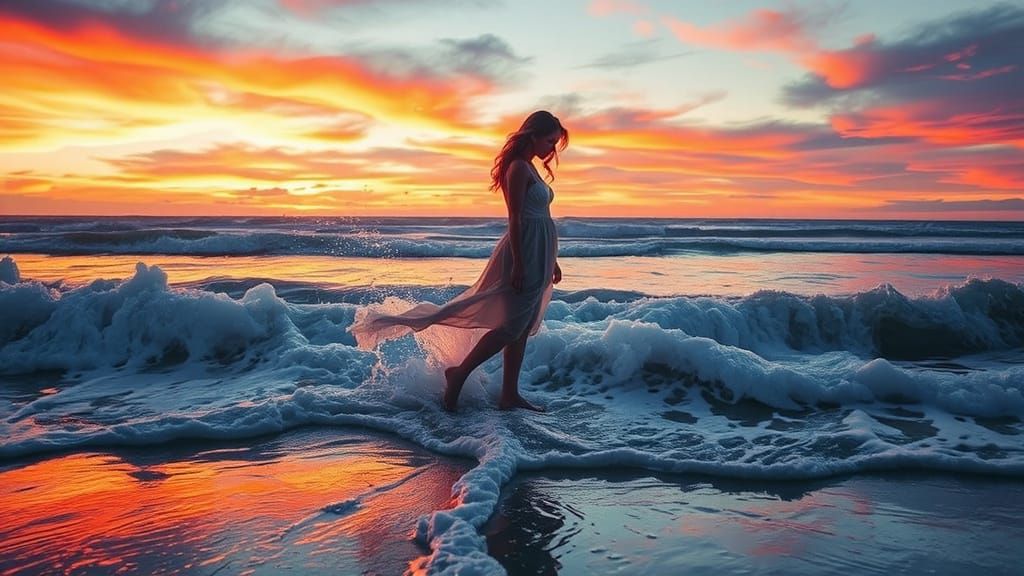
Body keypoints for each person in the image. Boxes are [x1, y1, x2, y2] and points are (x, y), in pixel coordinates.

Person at [350, 110, 569, 412]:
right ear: (532, 135)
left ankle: (509, 394)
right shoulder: (518, 168)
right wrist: (519, 262)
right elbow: (516, 219)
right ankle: (459, 374)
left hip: (539, 252)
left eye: (555, 143)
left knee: (521, 326)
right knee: (510, 328)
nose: (552, 149)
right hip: (526, 252)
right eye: (550, 141)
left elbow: (542, 217)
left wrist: (552, 259)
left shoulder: (530, 167)